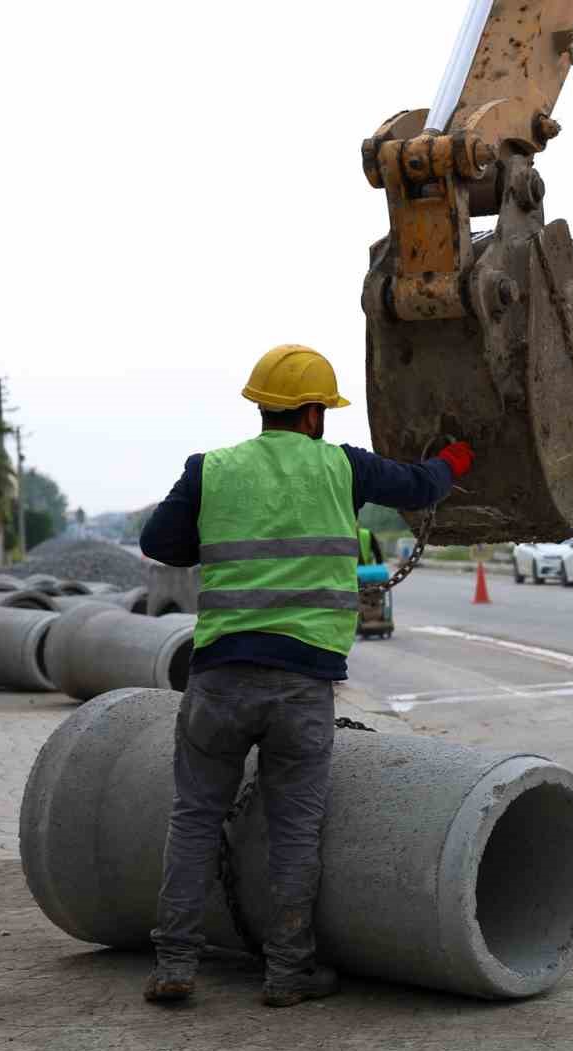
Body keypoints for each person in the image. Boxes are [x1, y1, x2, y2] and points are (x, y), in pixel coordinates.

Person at [138, 344, 473, 1008]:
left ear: (263, 408)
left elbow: (158, 544)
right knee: (294, 829)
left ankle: (176, 963)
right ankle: (287, 972)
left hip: (220, 678)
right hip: (302, 685)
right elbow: (421, 486)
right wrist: (456, 459)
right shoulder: (343, 469)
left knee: (196, 818)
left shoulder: (211, 470)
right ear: (315, 414)